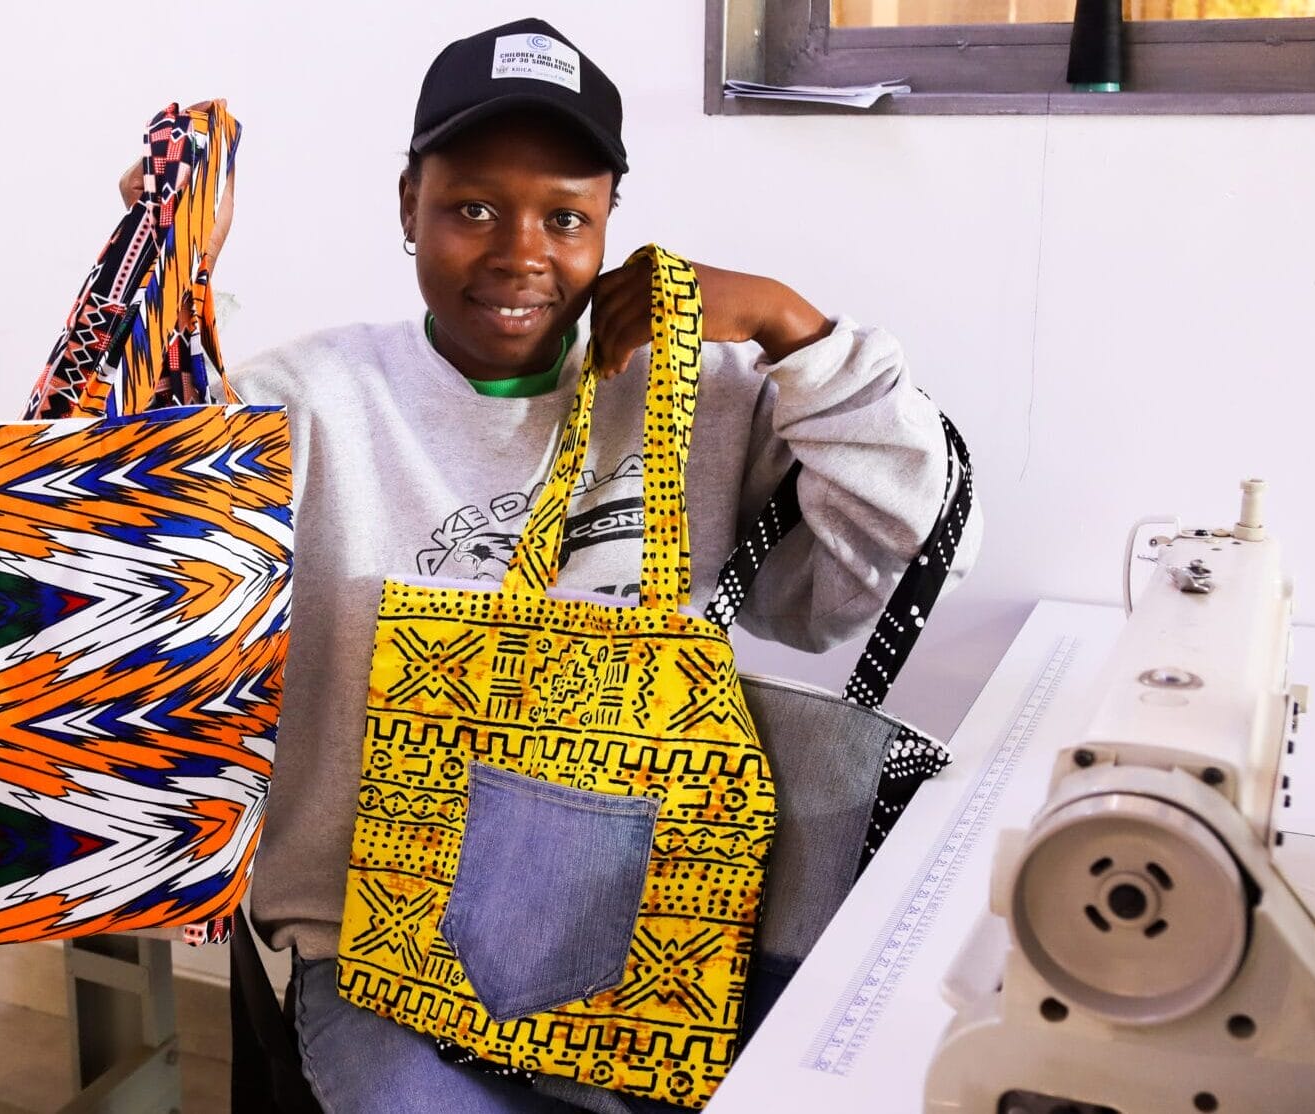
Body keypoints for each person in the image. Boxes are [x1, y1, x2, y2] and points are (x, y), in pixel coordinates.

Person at [134, 18, 980, 1113]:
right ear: (408, 207)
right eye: (471, 207)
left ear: (610, 224)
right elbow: (114, 545)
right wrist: (155, 281)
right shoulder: (309, 404)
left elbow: (868, 575)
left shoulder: (700, 397)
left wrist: (790, 325)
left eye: (565, 216)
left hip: (663, 942)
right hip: (382, 961)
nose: (518, 250)